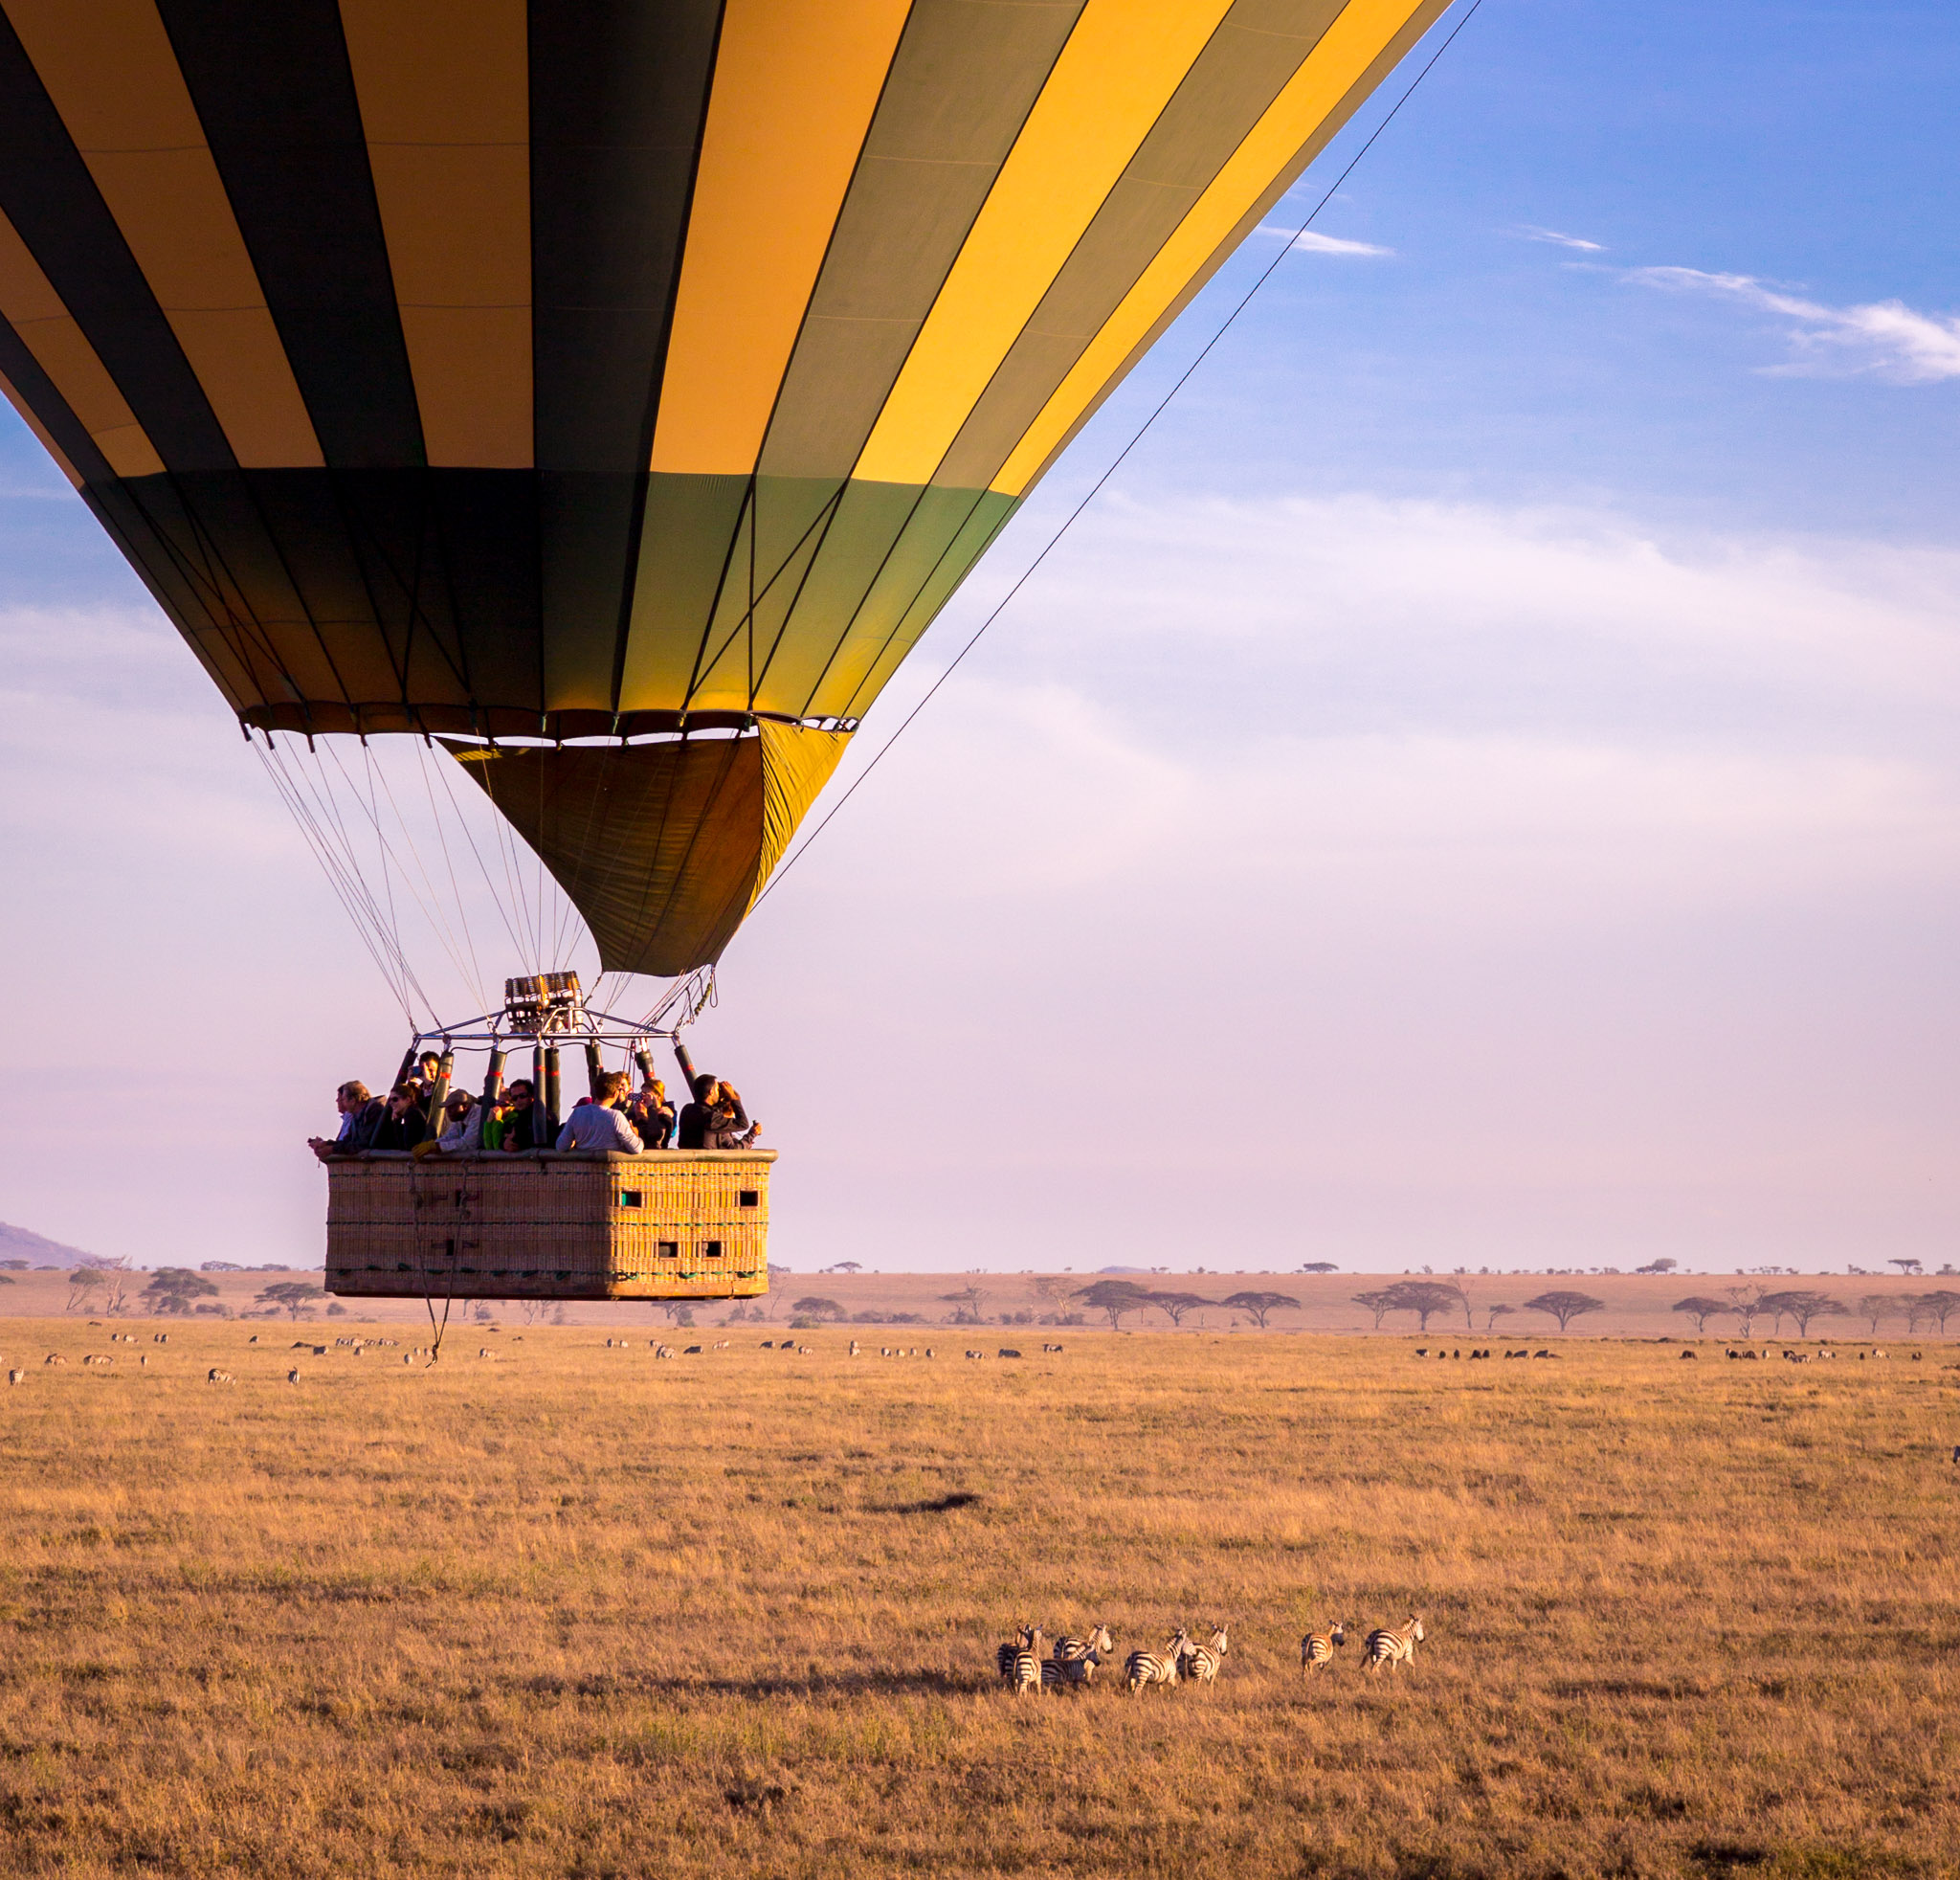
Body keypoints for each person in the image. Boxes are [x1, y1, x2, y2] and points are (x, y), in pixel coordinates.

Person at [554, 1071, 643, 1153]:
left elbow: (561, 1146)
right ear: (615, 1094)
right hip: (609, 1168)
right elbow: (636, 1148)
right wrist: (636, 1135)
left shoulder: (577, 1113)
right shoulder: (616, 1116)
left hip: (584, 1168)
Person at [308, 1081, 384, 1162]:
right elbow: (347, 1141)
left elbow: (362, 1145)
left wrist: (331, 1149)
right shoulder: (357, 1116)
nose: (342, 1103)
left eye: (343, 1099)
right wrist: (326, 1144)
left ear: (353, 1100)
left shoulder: (374, 1112)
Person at [676, 1073, 749, 1149]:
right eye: (717, 1089)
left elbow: (712, 1110)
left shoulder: (687, 1109)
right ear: (711, 1092)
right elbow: (743, 1124)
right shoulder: (710, 1118)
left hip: (687, 1158)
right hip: (705, 1159)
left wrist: (725, 1099)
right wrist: (733, 1098)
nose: (719, 1092)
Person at [414, 1089, 480, 1157]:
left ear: (464, 1106)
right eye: (446, 1108)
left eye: (451, 1107)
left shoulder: (478, 1115)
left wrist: (437, 1146)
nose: (448, 1111)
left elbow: (467, 1144)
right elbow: (450, 1137)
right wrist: (432, 1144)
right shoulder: (459, 1117)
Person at [371, 1083, 430, 1152]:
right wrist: (397, 1121)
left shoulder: (412, 1114)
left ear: (407, 1100)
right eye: (390, 1100)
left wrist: (397, 1123)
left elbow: (407, 1146)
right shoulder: (409, 1113)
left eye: (395, 1099)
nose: (391, 1103)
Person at [703, 1082, 762, 1150]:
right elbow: (735, 1149)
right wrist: (752, 1134)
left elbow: (734, 1142)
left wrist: (748, 1140)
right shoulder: (718, 1125)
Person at [497, 1080, 544, 1152]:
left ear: (532, 1096)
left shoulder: (540, 1115)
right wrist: (504, 1144)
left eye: (522, 1096)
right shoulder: (515, 1118)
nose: (518, 1100)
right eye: (515, 1098)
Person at [628, 1081, 675, 1149]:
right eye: (642, 1095)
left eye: (647, 1095)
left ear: (658, 1096)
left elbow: (656, 1135)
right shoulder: (638, 1115)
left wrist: (650, 1107)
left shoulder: (664, 1117)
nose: (643, 1099)